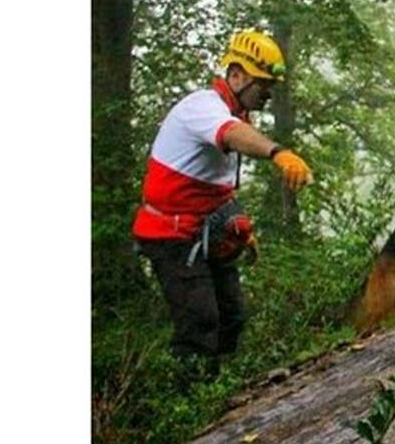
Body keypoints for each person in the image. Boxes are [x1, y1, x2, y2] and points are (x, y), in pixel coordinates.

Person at [132, 29, 313, 381]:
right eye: (263, 86)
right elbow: (230, 135)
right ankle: (188, 406)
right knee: (200, 323)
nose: (267, 96)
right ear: (237, 75)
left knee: (232, 316)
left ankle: (219, 389)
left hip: (203, 232)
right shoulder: (204, 107)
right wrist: (278, 152)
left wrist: (240, 231)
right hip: (172, 236)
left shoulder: (238, 116)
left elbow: (216, 186)